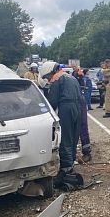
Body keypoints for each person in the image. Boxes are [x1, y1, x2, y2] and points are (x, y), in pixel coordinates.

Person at [40, 61, 83, 189]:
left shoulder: (57, 80)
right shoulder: (70, 77)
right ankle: (72, 161)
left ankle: (66, 168)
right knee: (74, 137)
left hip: (66, 108)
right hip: (78, 107)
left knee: (65, 137)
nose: (48, 79)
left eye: (47, 77)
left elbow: (52, 101)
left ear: (50, 72)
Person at [72, 66, 92, 163]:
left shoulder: (77, 78)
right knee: (72, 130)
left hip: (78, 103)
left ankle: (86, 153)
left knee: (82, 128)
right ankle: (72, 154)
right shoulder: (65, 79)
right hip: (73, 104)